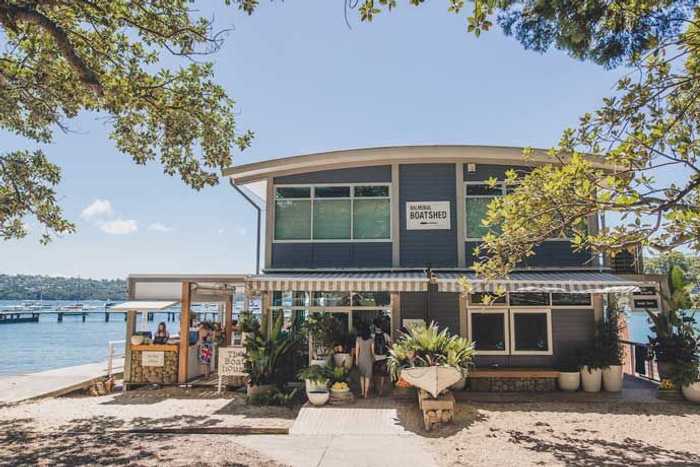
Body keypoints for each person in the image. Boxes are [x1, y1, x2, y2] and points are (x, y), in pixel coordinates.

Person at [372, 317, 392, 396]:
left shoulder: (373, 335)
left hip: (375, 357)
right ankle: (381, 389)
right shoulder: (386, 335)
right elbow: (390, 345)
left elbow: (371, 346)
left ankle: (375, 387)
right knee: (382, 374)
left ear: (375, 326)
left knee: (375, 373)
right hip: (384, 357)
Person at [355, 323, 374, 398]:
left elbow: (357, 350)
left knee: (362, 377)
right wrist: (374, 357)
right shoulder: (371, 339)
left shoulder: (358, 339)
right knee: (367, 377)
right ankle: (366, 393)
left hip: (361, 359)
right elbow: (372, 351)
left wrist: (356, 360)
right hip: (368, 359)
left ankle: (362, 392)